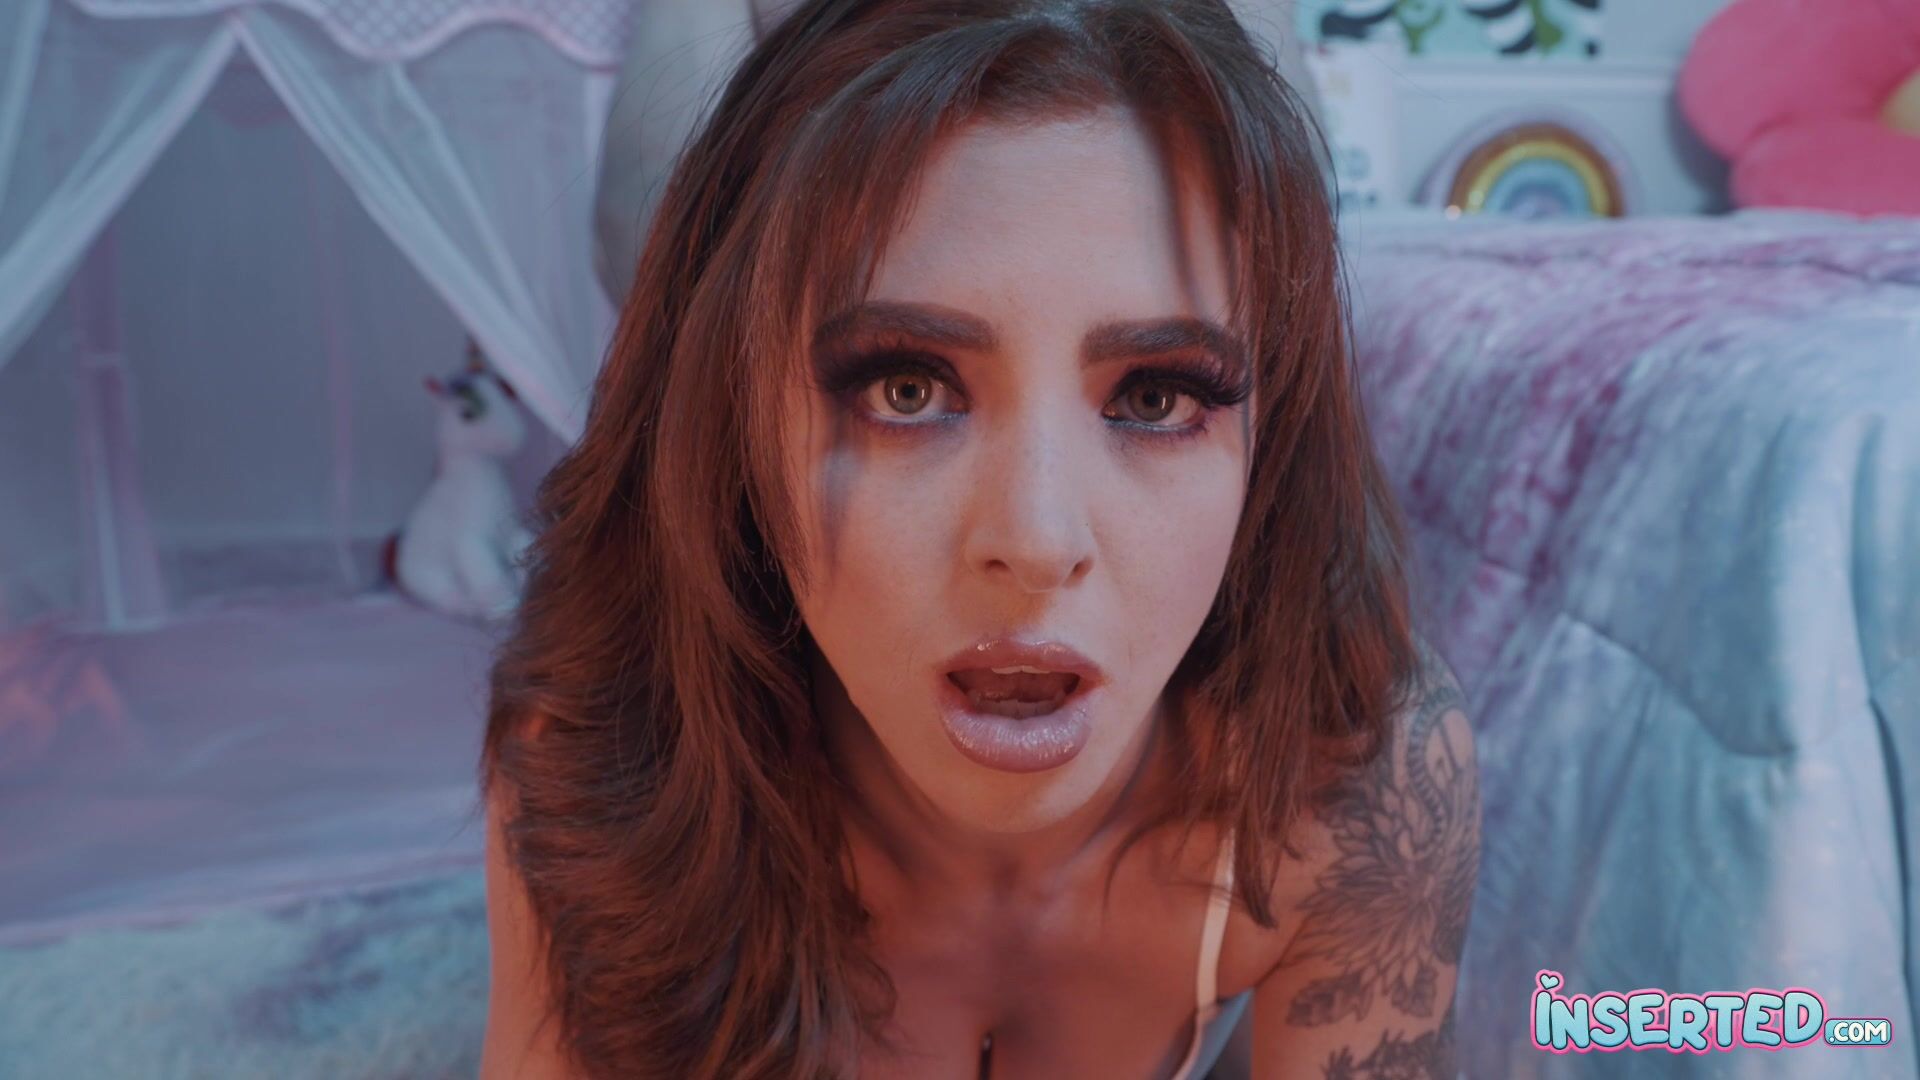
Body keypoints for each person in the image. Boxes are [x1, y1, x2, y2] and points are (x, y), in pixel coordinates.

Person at [480, 2, 1480, 1077]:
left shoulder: (1360, 778)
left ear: (1268, 444)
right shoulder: (603, 740)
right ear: (736, 426)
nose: (1037, 543)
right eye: (906, 389)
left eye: (1154, 398)